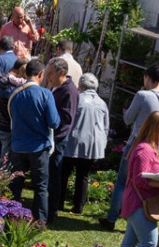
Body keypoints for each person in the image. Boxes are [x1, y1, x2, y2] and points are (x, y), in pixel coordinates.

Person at [100, 64, 159, 230]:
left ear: (147, 77)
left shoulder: (142, 95)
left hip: (138, 142)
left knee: (124, 180)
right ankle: (144, 215)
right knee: (150, 183)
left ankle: (112, 218)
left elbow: (128, 119)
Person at [9, 59, 60, 223]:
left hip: (18, 145)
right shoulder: (46, 94)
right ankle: (40, 220)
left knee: (16, 184)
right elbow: (54, 122)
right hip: (38, 147)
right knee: (40, 186)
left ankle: (12, 216)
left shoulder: (15, 93)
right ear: (40, 74)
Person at [119, 111, 159, 247]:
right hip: (139, 202)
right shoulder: (145, 150)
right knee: (149, 243)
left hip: (138, 201)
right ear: (156, 129)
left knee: (129, 244)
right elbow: (139, 180)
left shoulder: (149, 148)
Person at [62, 73, 109, 214]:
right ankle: (78, 206)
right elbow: (105, 127)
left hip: (73, 142)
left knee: (64, 173)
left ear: (80, 86)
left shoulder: (77, 99)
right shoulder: (102, 103)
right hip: (92, 146)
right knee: (83, 175)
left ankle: (58, 202)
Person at [45, 57, 80, 223]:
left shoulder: (69, 92)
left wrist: (52, 136)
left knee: (54, 176)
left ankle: (52, 211)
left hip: (57, 141)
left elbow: (65, 121)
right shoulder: (58, 87)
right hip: (51, 138)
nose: (48, 77)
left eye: (51, 74)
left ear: (62, 72)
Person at [0, 57, 27, 166]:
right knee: (6, 153)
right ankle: (2, 175)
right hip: (8, 123)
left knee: (3, 149)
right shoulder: (10, 84)